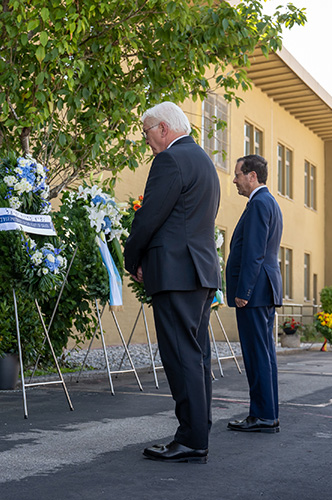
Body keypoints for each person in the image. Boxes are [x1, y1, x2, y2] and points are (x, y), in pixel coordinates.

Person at [124, 101, 221, 463]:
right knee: (195, 357)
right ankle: (198, 431)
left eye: (147, 131)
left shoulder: (170, 160)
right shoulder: (204, 161)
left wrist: (131, 258)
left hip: (176, 273)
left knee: (181, 357)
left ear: (163, 128)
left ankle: (192, 439)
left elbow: (149, 217)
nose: (147, 140)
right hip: (199, 273)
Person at [225, 154, 283, 433]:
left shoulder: (259, 203)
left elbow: (254, 252)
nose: (234, 179)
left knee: (256, 353)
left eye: (237, 174)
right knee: (264, 353)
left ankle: (262, 416)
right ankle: (266, 413)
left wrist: (243, 290)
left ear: (252, 176)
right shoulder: (267, 202)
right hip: (263, 290)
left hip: (255, 291)